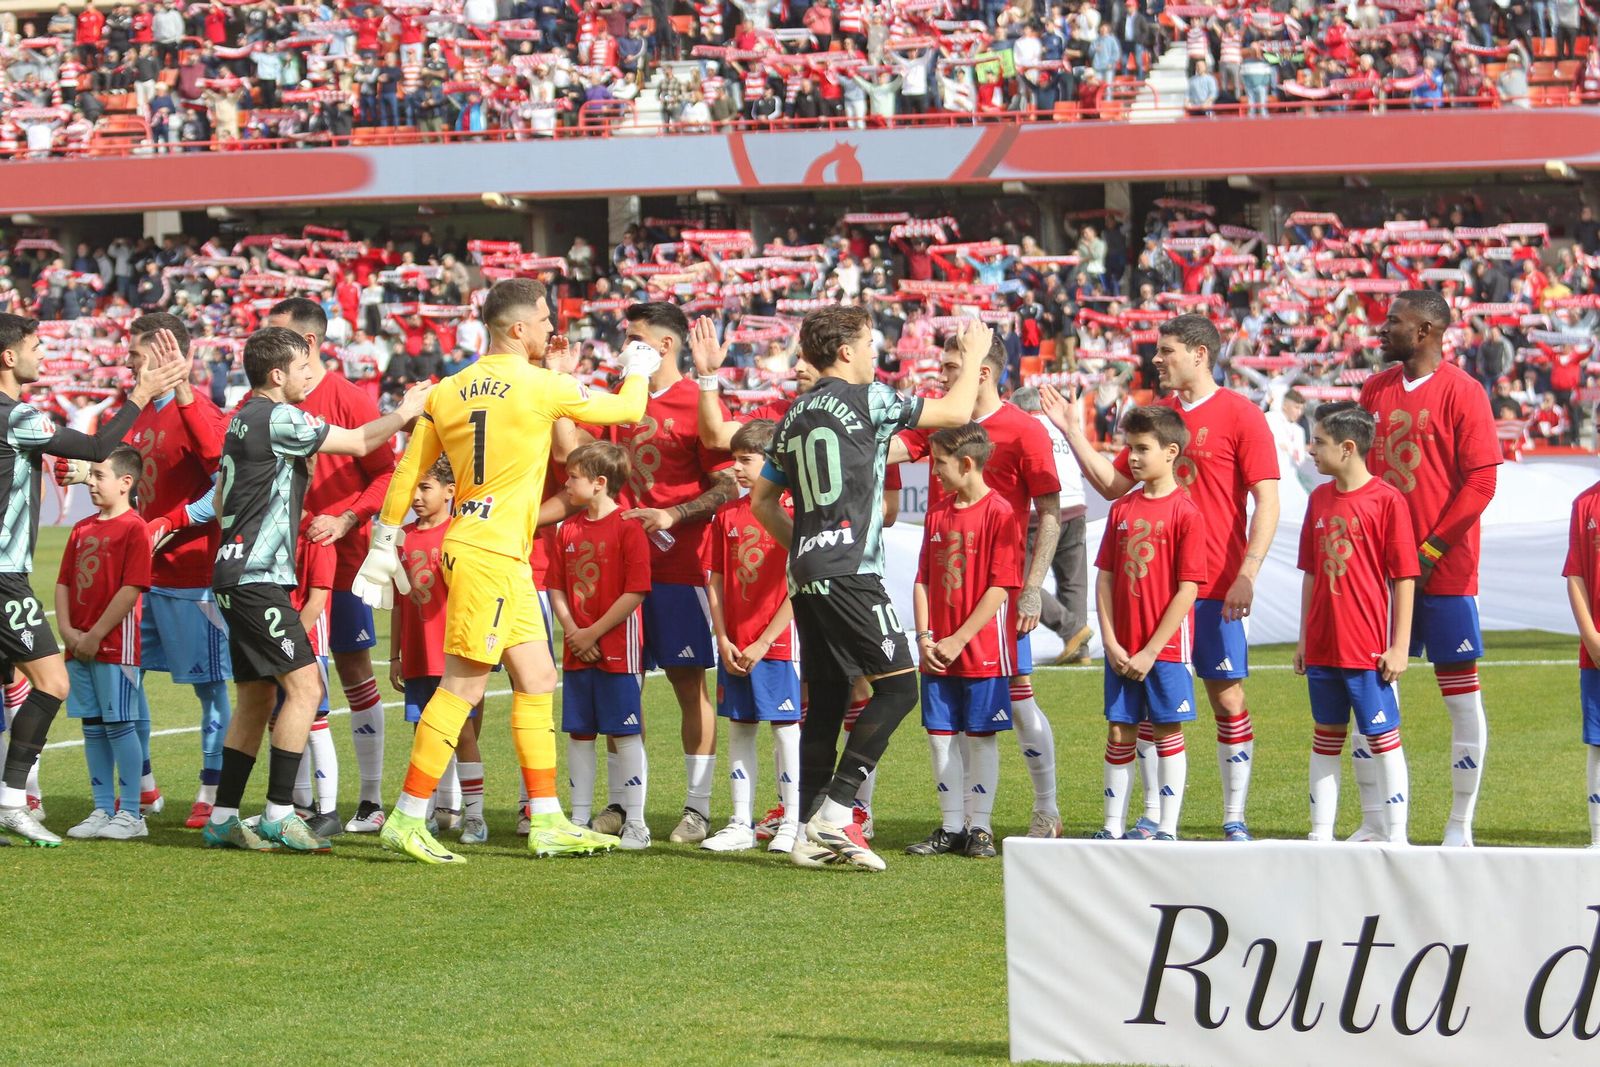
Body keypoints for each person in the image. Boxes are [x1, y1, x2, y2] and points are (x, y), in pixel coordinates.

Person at [351, 278, 656, 865]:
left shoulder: (448, 389)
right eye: (544, 320)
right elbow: (630, 408)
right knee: (462, 686)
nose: (550, 329)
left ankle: (546, 820)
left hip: (489, 551)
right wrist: (639, 363)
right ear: (518, 329)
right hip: (491, 556)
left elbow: (409, 469)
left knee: (538, 678)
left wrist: (385, 541)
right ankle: (409, 816)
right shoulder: (540, 384)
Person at [752, 310, 989, 871]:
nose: (874, 353)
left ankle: (806, 832)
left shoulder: (794, 415)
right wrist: (975, 353)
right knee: (900, 688)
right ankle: (837, 810)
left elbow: (763, 501)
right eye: (868, 344)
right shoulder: (870, 399)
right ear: (844, 352)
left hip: (807, 575)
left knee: (829, 700)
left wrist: (806, 549)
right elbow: (956, 412)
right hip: (852, 572)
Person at [1042, 313, 1279, 842]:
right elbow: (1111, 485)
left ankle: (1234, 815)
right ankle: (1152, 816)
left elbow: (1267, 499)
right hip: (1151, 591)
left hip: (1216, 585)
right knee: (1146, 705)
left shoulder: (1242, 415)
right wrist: (1073, 433)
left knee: (1228, 698)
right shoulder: (1155, 417)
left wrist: (1248, 571)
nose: (1157, 359)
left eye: (1166, 350)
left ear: (1199, 353)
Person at [202, 326, 428, 853]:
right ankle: (281, 813)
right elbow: (357, 442)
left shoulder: (240, 419)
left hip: (233, 574)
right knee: (306, 689)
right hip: (258, 578)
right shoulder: (279, 416)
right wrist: (404, 411)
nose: (312, 376)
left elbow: (218, 502)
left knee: (256, 698)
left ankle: (223, 816)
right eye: (304, 369)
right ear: (277, 375)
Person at [0, 313, 185, 846]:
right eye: (35, 347)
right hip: (4, 577)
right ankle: (12, 800)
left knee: (11, 683)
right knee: (52, 682)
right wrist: (141, 392)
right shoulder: (16, 415)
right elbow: (100, 445)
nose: (42, 357)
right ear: (9, 357)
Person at [892, 335, 1063, 838]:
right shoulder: (943, 422)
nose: (942, 376)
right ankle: (963, 822)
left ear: (981, 373)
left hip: (999, 588)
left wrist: (1031, 589)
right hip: (949, 587)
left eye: (950, 367)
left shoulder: (1023, 430)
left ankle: (1045, 807)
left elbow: (1050, 513)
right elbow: (892, 449)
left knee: (1018, 695)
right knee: (954, 713)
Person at [1360, 289, 1501, 848]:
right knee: (1370, 692)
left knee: (1459, 696)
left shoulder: (1465, 393)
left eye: (1394, 320)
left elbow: (1481, 484)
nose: (1384, 326)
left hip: (1443, 573)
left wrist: (1432, 550)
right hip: (1378, 572)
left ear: (1423, 332)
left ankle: (1458, 825)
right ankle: (1378, 823)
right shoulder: (1373, 390)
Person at [266, 298, 395, 835]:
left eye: (277, 337)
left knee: (353, 669)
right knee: (290, 678)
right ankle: (297, 802)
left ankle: (368, 800)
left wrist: (345, 519)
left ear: (310, 344)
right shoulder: (268, 399)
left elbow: (388, 475)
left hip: (343, 561)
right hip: (281, 559)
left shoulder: (349, 398)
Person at [612, 302, 739, 845]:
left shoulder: (697, 402)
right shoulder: (617, 398)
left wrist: (674, 514)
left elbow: (731, 485)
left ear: (663, 346)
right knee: (621, 687)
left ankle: (696, 809)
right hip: (619, 571)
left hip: (680, 568)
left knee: (691, 686)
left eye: (633, 337)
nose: (622, 347)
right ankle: (623, 806)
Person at [114, 313, 233, 831]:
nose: (127, 364)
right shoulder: (132, 413)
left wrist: (175, 521)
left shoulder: (203, 413)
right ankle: (143, 786)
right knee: (125, 676)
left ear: (167, 356)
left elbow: (225, 485)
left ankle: (210, 789)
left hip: (193, 576)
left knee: (209, 688)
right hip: (138, 575)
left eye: (137, 356)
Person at [1296, 403, 1415, 845]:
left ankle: (1397, 836)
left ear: (1347, 448)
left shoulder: (1387, 501)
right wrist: (1305, 638)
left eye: (1318, 442)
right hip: (1324, 647)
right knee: (1325, 737)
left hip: (1367, 649)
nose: (1311, 450)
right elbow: (1311, 572)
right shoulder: (1319, 499)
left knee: (1382, 740)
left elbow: (1404, 578)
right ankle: (1321, 834)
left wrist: (1398, 645)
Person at [907, 423, 1022, 860]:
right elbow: (922, 578)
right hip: (936, 647)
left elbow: (1000, 586)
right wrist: (924, 637)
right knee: (939, 737)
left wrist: (959, 638)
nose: (933, 471)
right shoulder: (937, 512)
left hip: (981, 650)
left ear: (967, 463)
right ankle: (951, 826)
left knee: (979, 737)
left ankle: (981, 827)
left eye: (939, 462)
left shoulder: (1000, 513)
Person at [1092, 406, 1205, 841]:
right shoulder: (1122, 510)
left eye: (1142, 448)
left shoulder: (1186, 513)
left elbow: (1188, 589)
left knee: (1165, 728)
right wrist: (1111, 641)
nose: (1132, 457)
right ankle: (1112, 826)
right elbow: (1105, 577)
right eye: (1129, 448)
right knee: (1120, 729)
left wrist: (1151, 650)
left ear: (1171, 452)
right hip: (1122, 647)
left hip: (1165, 650)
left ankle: (1167, 828)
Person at [702, 420, 802, 854]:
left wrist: (764, 640)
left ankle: (792, 821)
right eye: (735, 459)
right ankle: (741, 821)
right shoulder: (725, 514)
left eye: (747, 459)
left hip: (778, 644)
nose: (737, 468)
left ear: (772, 462)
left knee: (785, 730)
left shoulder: (793, 513)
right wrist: (722, 638)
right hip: (735, 644)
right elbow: (715, 581)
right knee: (741, 728)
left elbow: (802, 582)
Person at [549, 442, 652, 849]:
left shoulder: (629, 527)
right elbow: (556, 586)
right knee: (579, 733)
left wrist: (592, 633)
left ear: (599, 483)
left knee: (625, 733)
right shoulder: (566, 528)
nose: (566, 483)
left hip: (617, 649)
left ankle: (637, 823)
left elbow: (636, 591)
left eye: (573, 476)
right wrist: (574, 629)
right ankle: (576, 819)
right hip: (578, 646)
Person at [58, 448, 152, 841]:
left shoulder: (135, 528)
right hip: (78, 643)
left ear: (125, 482)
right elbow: (63, 582)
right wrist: (68, 632)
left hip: (113, 644)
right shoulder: (81, 528)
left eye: (98, 476)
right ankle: (101, 807)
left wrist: (95, 635)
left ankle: (131, 814)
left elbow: (132, 588)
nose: (91, 483)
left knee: (119, 724)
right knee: (93, 727)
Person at [392, 456, 488, 845]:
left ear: (451, 491)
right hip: (416, 654)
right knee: (423, 735)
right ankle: (425, 815)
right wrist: (396, 654)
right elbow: (400, 601)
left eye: (425, 488)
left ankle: (475, 817)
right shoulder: (403, 538)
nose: (416, 497)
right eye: (413, 488)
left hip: (453, 653)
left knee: (464, 734)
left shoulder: (461, 534)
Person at [1011, 387, 1091, 665]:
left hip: (1040, 511)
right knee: (1073, 582)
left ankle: (1072, 629)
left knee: (1019, 579)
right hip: (1076, 505)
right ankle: (1079, 649)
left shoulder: (1022, 426)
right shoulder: (1062, 425)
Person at [1563, 471, 1600, 848]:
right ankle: (1598, 838)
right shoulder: (1585, 503)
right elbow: (1575, 574)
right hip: (1597, 651)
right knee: (1599, 743)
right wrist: (1590, 636)